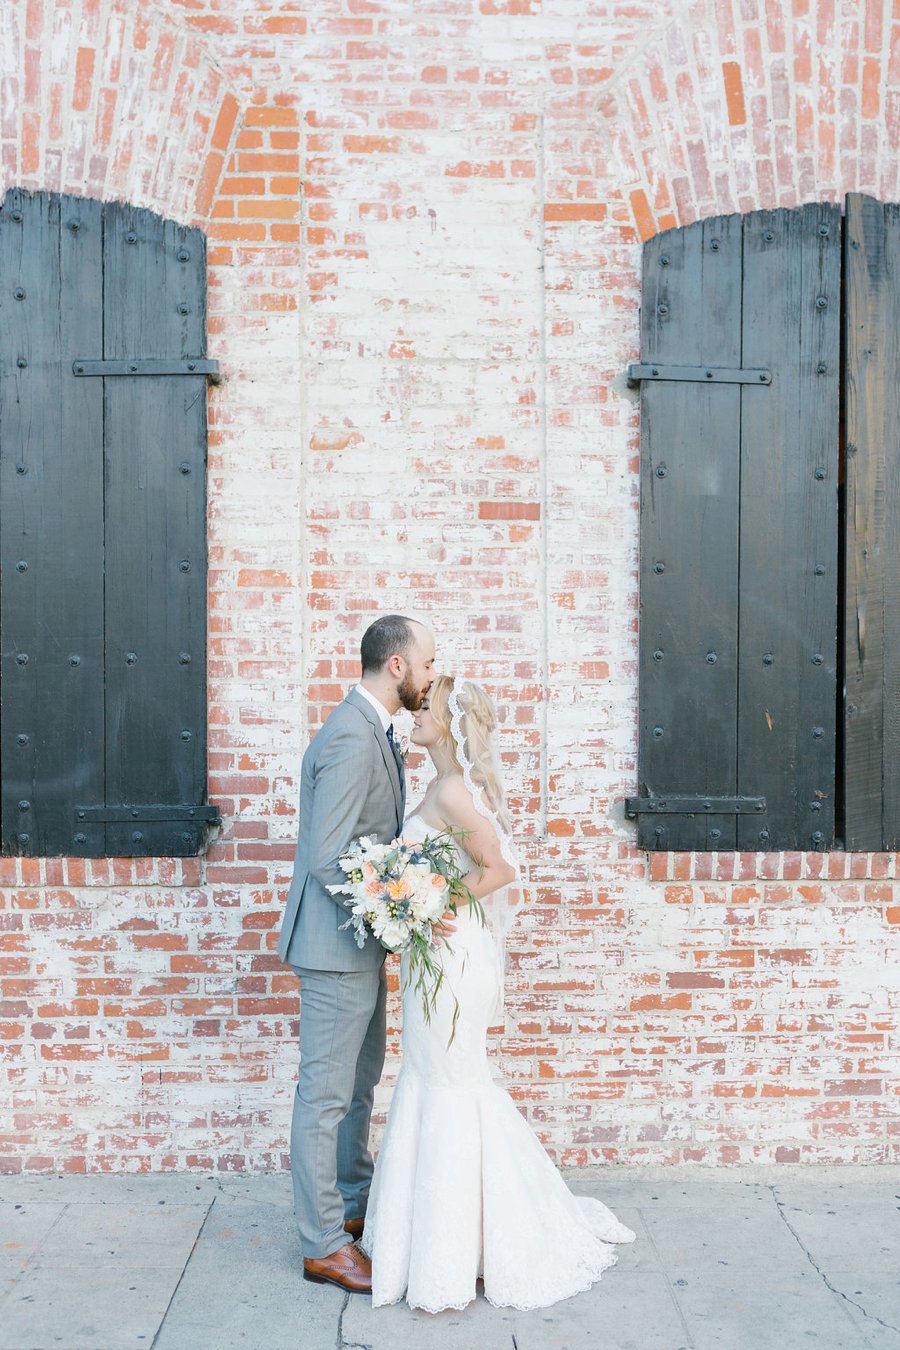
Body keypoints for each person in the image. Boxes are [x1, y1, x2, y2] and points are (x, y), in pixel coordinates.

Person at [359, 674, 636, 1311]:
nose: (413, 714)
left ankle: (458, 1250)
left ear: (452, 726)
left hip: (455, 960)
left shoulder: (454, 790)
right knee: (433, 1081)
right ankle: (444, 1237)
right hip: (441, 955)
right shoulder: (439, 785)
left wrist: (427, 900)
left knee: (452, 1086)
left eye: (423, 707)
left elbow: (502, 869)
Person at [277, 614, 447, 1294]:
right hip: (332, 948)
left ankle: (350, 1202)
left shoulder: (371, 729)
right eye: (429, 663)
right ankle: (322, 1243)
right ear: (398, 666)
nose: (433, 675)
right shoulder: (351, 737)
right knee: (324, 1095)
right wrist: (392, 907)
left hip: (357, 945)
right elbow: (327, 857)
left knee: (356, 1084)